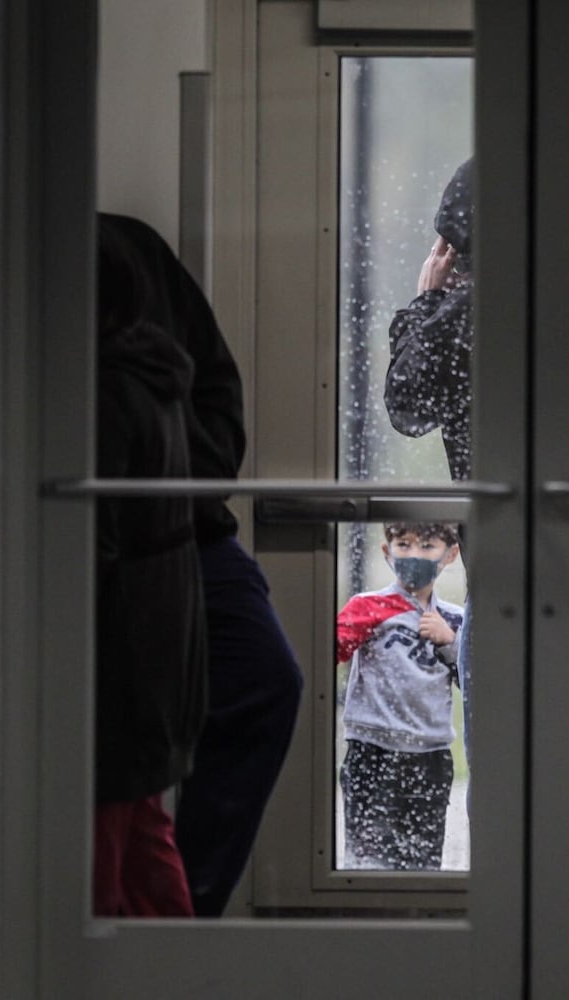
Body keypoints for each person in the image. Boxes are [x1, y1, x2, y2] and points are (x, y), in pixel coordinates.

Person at [383, 159, 569, 871]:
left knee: (504, 763)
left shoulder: (468, 316)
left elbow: (406, 404)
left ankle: (512, 913)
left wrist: (426, 303)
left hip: (506, 578)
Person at [97, 213, 304, 916]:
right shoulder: (0, 265)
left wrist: (191, 472)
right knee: (124, 743)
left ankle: (190, 912)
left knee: (265, 679)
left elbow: (214, 380)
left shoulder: (127, 250)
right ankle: (149, 921)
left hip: (189, 531)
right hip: (103, 543)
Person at [91, 222, 207, 916]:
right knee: (144, 838)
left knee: (101, 866)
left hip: (120, 642)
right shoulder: (154, 372)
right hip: (166, 631)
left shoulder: (101, 391)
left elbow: (91, 542)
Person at [335, 523, 465, 869]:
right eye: (403, 544)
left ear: (451, 554)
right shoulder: (366, 606)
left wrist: (450, 642)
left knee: (422, 861)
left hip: (430, 754)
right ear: (386, 551)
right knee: (367, 859)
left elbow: (477, 683)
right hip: (371, 749)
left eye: (427, 545)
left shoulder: (455, 618)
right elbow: (329, 651)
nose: (414, 554)